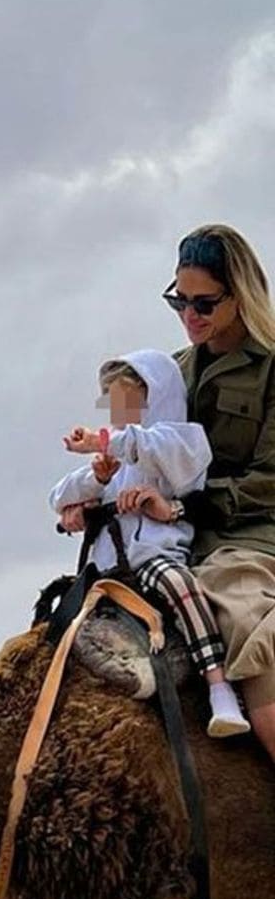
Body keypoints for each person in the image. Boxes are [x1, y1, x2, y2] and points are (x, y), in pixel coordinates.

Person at [119, 225, 275, 768]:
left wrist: (185, 506)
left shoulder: (272, 367)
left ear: (240, 295)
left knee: (243, 619)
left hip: (247, 540)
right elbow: (134, 450)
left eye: (204, 303)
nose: (190, 316)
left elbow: (269, 479)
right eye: (179, 301)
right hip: (167, 540)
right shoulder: (169, 374)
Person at [51, 350, 251, 736]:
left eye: (125, 399)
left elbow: (150, 446)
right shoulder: (117, 461)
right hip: (106, 572)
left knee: (180, 586)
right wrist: (97, 482)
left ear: (155, 396)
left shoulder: (183, 443)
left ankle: (219, 687)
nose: (117, 410)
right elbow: (58, 496)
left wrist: (101, 441)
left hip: (154, 558)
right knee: (54, 619)